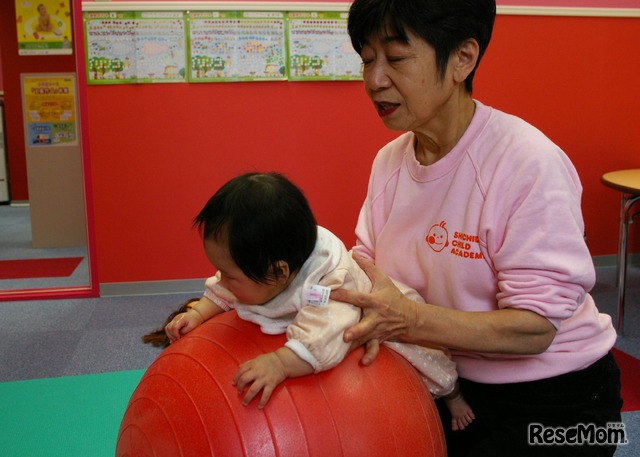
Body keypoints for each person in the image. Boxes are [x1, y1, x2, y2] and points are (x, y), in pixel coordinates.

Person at [328, 1, 623, 456]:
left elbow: (535, 329)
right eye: (367, 60)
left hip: (561, 399)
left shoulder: (526, 162)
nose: (374, 80)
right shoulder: (389, 163)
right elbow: (367, 276)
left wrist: (412, 320)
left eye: (397, 58)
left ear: (463, 58)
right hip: (446, 383)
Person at [153, 172, 474, 429]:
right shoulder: (271, 260)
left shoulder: (326, 287)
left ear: (278, 273)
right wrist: (199, 312)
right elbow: (225, 289)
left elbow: (328, 334)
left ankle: (454, 397)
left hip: (377, 318)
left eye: (229, 274)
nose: (221, 280)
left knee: (430, 364)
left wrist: (280, 363)